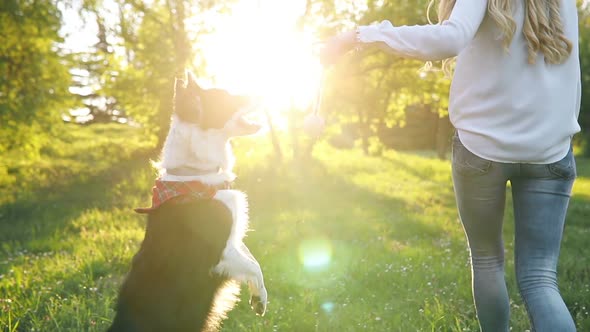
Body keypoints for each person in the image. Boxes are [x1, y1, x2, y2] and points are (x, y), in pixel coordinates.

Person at [321, 0, 581, 331]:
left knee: (487, 260)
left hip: (481, 149)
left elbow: (450, 38)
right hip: (550, 149)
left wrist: (360, 35)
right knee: (540, 277)